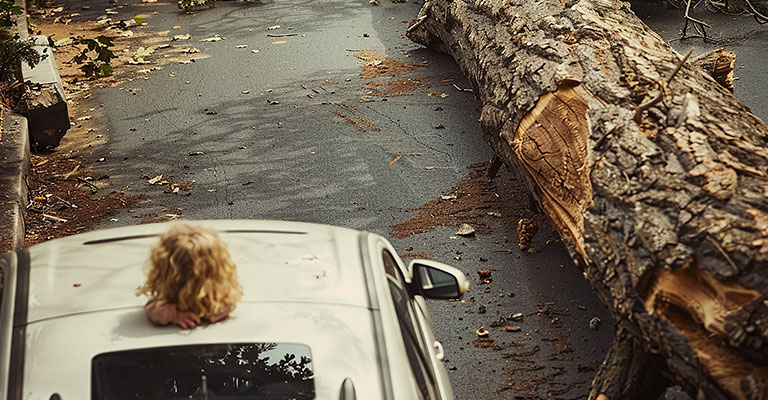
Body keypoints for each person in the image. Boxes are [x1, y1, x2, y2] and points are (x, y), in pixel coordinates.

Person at [136, 224, 243, 329]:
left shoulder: (224, 296)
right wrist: (176, 314)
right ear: (217, 268)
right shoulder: (224, 294)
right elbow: (153, 310)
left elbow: (153, 310)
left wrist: (176, 313)